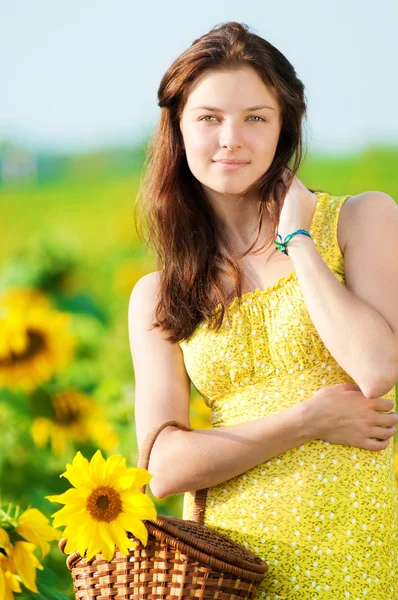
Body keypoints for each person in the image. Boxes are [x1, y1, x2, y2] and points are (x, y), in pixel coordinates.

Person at [128, 21, 398, 600]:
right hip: (230, 565)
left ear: (283, 128)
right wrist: (307, 421)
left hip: (366, 539)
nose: (232, 138)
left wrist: (296, 238)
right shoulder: (159, 292)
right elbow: (163, 467)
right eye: (209, 118)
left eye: (256, 117)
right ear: (177, 126)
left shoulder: (360, 219)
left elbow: (376, 367)